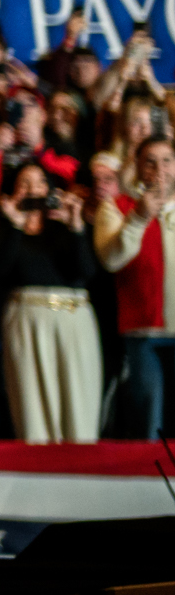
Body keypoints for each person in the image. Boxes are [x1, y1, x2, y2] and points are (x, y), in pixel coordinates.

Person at [0, 160, 100, 444]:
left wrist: (76, 226)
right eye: (23, 183)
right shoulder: (4, 231)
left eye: (39, 183)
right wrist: (14, 224)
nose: (32, 189)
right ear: (12, 192)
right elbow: (1, 270)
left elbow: (86, 271)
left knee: (77, 402)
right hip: (26, 320)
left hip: (73, 320)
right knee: (32, 406)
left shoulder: (65, 227)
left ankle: (80, 469)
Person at [95, 136, 175, 436]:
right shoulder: (115, 208)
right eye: (150, 161)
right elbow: (112, 259)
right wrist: (140, 217)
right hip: (143, 333)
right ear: (138, 167)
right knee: (149, 420)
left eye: (167, 160)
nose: (160, 169)